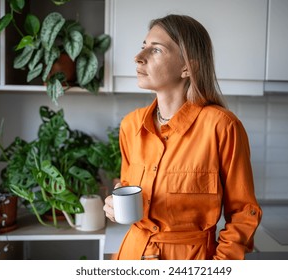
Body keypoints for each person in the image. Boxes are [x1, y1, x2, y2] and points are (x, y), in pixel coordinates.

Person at [103, 14, 262, 260]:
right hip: (132, 255)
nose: (138, 57)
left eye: (155, 50)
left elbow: (244, 212)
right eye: (143, 47)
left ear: (188, 67)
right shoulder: (130, 125)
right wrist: (115, 203)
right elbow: (128, 187)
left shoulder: (222, 127)